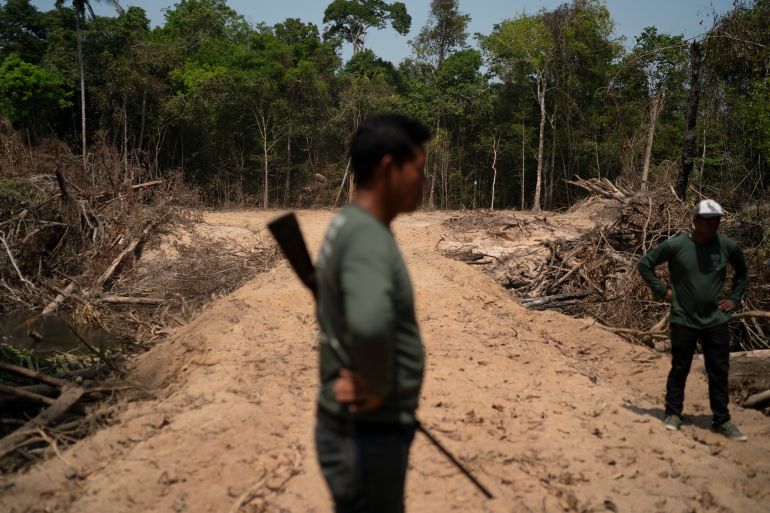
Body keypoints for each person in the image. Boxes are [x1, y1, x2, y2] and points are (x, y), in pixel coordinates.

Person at [314, 115, 430, 512]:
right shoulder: (367, 236)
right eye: (419, 170)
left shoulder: (350, 222)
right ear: (388, 167)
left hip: (356, 432)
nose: (424, 183)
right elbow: (368, 323)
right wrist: (379, 386)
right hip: (366, 434)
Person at [638, 199, 748, 441]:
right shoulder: (677, 246)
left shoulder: (727, 246)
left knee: (718, 371)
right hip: (683, 319)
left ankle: (722, 420)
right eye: (708, 221)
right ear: (695, 221)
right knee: (680, 368)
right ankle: (673, 414)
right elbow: (645, 264)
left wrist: (735, 298)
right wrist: (662, 291)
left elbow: (742, 272)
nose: (713, 225)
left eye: (717, 221)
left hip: (716, 320)